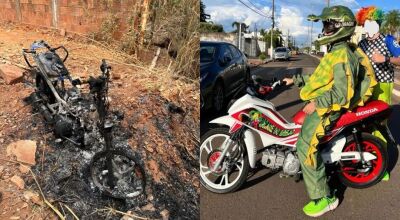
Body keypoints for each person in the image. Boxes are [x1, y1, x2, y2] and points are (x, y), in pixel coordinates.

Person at [283, 5, 376, 217]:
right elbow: (322, 79)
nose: (324, 28)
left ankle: (324, 198)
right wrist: (295, 80)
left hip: (328, 107)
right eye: (324, 24)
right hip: (322, 101)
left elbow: (342, 94)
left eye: (328, 24)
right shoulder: (335, 50)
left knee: (305, 146)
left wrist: (317, 104)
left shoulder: (342, 54)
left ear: (341, 26)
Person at [356, 6, 400, 181]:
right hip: (366, 88)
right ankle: (367, 158)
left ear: (378, 24)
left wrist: (386, 59)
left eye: (372, 23)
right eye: (366, 23)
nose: (369, 27)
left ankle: (381, 167)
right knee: (363, 125)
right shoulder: (362, 43)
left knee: (380, 125)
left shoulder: (388, 40)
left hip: (383, 87)